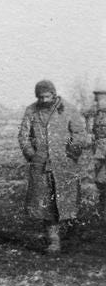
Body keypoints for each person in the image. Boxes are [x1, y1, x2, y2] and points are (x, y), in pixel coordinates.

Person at [18, 80, 86, 253]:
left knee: (68, 202)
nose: (43, 100)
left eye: (47, 96)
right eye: (40, 97)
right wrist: (32, 155)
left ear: (54, 94)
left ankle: (72, 236)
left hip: (65, 164)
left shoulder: (68, 109)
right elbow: (23, 136)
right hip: (41, 166)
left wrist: (70, 150)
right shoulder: (31, 110)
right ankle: (53, 241)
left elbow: (78, 133)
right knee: (46, 205)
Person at [87, 88, 106, 216]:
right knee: (99, 180)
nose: (98, 102)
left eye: (100, 98)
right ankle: (102, 206)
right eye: (97, 99)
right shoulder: (95, 114)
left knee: (101, 179)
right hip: (98, 150)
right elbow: (91, 132)